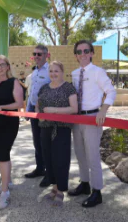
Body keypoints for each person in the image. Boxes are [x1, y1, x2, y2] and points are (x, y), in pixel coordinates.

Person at [69, 40, 116, 208]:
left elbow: (111, 91)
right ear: (75, 56)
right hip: (77, 119)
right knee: (80, 154)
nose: (82, 54)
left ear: (91, 53)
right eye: (79, 52)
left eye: (86, 51)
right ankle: (84, 183)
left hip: (93, 118)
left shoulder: (98, 72)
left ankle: (97, 192)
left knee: (92, 156)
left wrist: (103, 111)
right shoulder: (74, 74)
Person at [36, 61, 78, 206]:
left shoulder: (68, 88)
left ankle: (60, 191)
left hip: (62, 128)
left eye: (56, 71)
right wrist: (39, 114)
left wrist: (54, 110)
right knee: (49, 159)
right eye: (51, 71)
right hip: (45, 128)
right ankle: (54, 187)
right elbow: (38, 104)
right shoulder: (44, 88)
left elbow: (74, 108)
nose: (53, 74)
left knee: (61, 159)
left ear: (62, 72)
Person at [0, 55, 23, 209]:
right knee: (3, 154)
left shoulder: (14, 82)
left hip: (9, 123)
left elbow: (19, 103)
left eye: (2, 64)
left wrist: (2, 107)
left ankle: (5, 192)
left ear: (8, 66)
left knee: (3, 154)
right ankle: (8, 181)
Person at [25, 45, 51, 187]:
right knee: (37, 142)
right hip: (34, 113)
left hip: (46, 114)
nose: (36, 56)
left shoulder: (49, 71)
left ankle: (49, 173)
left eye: (39, 54)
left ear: (46, 55)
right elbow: (31, 93)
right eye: (34, 54)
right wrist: (28, 110)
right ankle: (40, 168)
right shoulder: (34, 73)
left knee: (45, 143)